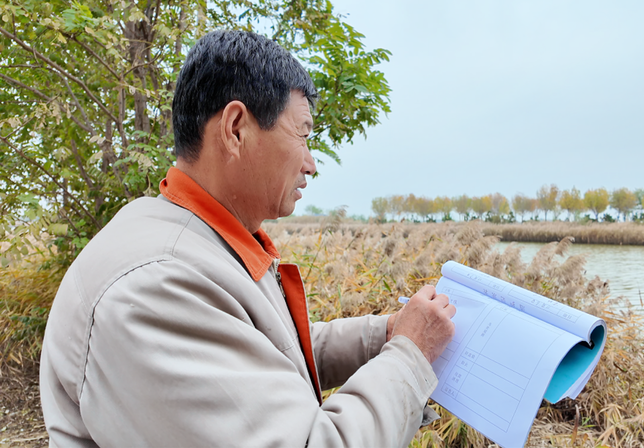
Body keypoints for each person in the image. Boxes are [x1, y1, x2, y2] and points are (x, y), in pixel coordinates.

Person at [39, 30, 456, 447]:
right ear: (236, 128)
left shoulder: (187, 234)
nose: (311, 165)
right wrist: (409, 355)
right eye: (303, 134)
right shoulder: (154, 287)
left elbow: (269, 347)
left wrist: (385, 334)